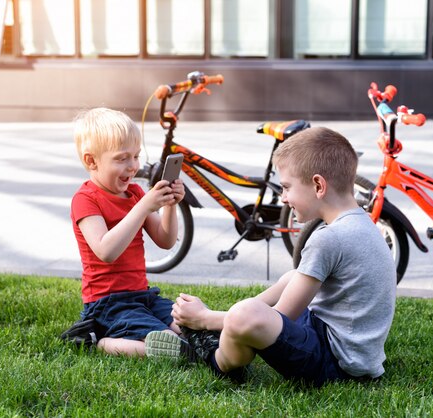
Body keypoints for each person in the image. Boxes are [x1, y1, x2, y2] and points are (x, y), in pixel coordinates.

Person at [145, 127, 396, 385]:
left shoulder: (328, 239)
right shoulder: (363, 223)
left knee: (246, 314)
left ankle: (214, 356)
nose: (284, 198)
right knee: (291, 278)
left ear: (318, 185)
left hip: (337, 364)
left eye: (287, 187)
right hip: (349, 349)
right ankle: (221, 330)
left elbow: (282, 315)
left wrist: (205, 318)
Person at [69, 107, 185, 357]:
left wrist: (170, 206)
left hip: (143, 296)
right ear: (92, 161)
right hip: (108, 304)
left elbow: (165, 240)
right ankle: (97, 341)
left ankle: (179, 340)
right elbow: (106, 251)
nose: (133, 166)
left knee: (187, 325)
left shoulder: (134, 194)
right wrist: (143, 207)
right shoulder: (85, 199)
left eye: (136, 156)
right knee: (168, 341)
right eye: (122, 158)